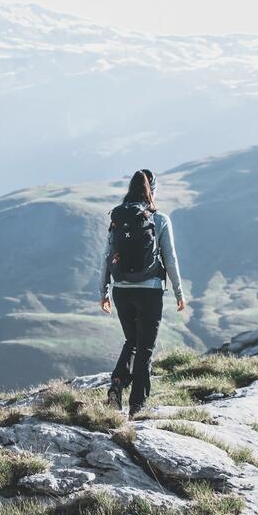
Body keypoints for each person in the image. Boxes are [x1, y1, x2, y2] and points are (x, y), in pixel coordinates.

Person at [98, 169, 185, 417]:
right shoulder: (159, 219)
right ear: (153, 191)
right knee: (145, 347)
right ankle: (137, 407)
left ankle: (117, 383)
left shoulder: (117, 218)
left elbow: (107, 257)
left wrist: (103, 291)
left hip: (121, 290)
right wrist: (179, 292)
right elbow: (170, 258)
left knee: (132, 341)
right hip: (149, 291)